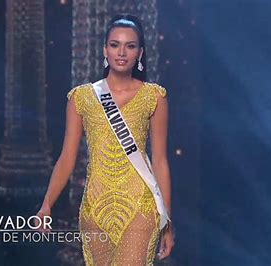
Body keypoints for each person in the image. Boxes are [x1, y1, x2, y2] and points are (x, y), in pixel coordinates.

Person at [36, 14, 175, 265]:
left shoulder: (154, 97)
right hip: (95, 208)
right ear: (105, 50)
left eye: (130, 46)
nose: (122, 52)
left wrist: (167, 219)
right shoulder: (82, 98)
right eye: (115, 44)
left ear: (139, 53)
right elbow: (67, 157)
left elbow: (161, 161)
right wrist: (47, 204)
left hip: (140, 205)